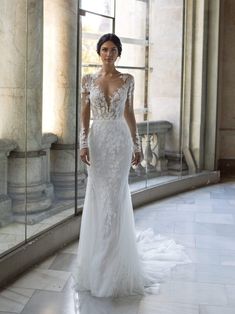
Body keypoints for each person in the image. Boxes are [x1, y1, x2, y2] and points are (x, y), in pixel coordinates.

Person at [73, 33, 190, 298]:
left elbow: (129, 112)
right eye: (104, 49)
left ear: (119, 53)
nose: (108, 53)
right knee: (98, 199)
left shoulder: (128, 79)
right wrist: (82, 142)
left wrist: (136, 145)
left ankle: (111, 266)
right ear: (98, 51)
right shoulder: (87, 80)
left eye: (113, 50)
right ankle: (96, 262)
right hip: (97, 141)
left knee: (114, 200)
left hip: (119, 141)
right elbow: (84, 113)